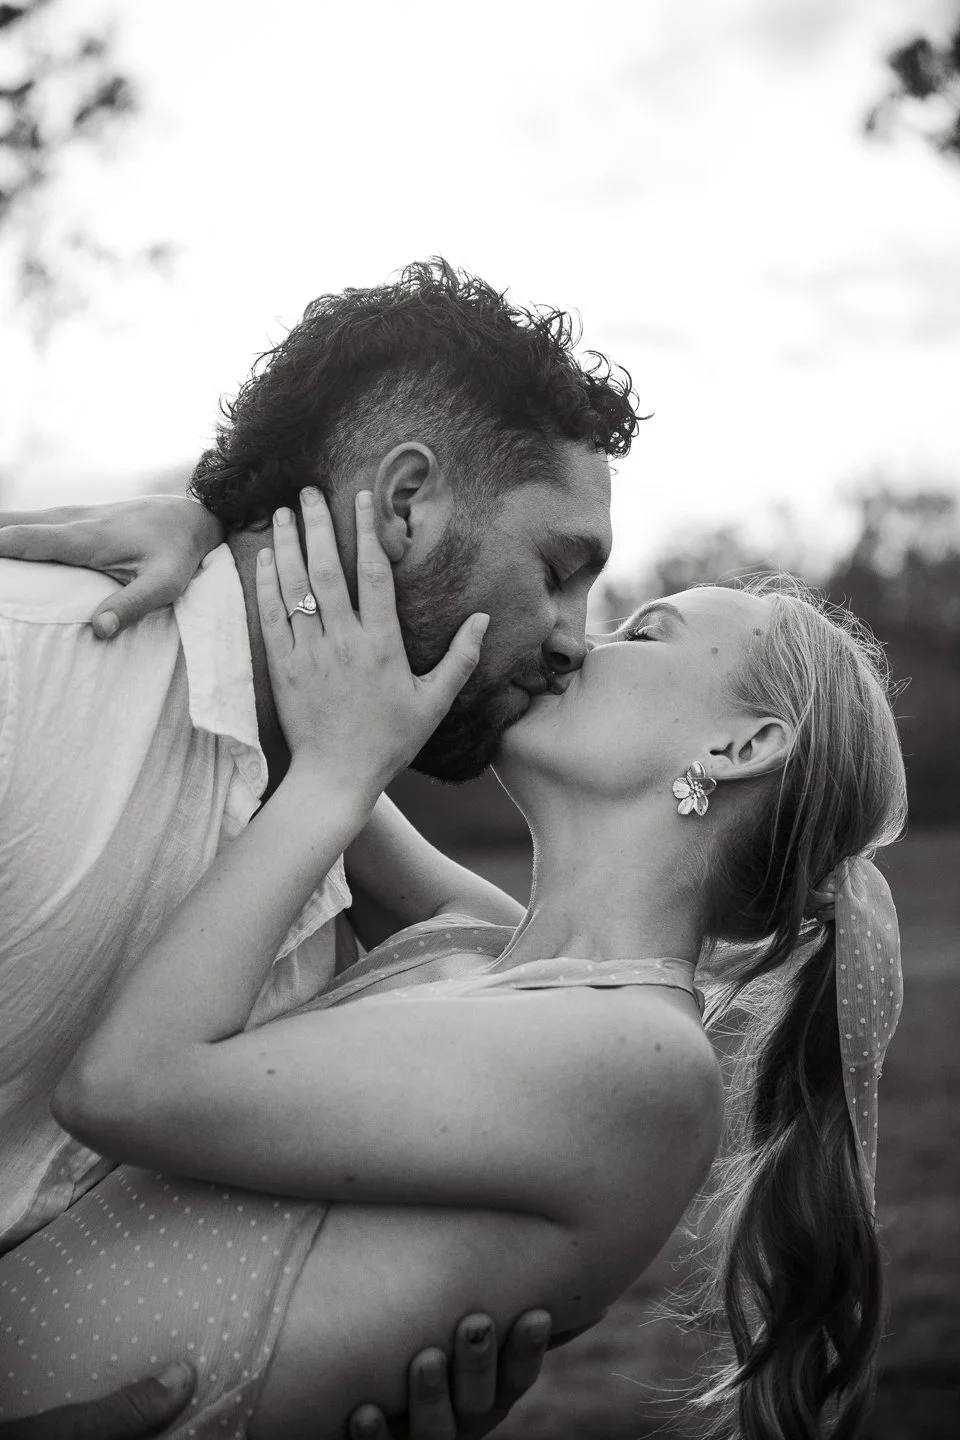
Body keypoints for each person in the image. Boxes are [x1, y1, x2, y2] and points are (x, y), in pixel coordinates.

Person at [0, 488, 906, 1440]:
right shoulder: (478, 942)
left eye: (645, 632)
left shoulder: (645, 1065)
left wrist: (339, 775)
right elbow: (313, 692)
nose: (571, 645)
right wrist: (209, 528)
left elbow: (125, 1086)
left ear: (740, 746)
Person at [0, 259, 638, 1436]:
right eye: (559, 570)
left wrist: (338, 1351)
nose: (573, 645)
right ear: (405, 504)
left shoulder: (350, 910)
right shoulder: (25, 675)